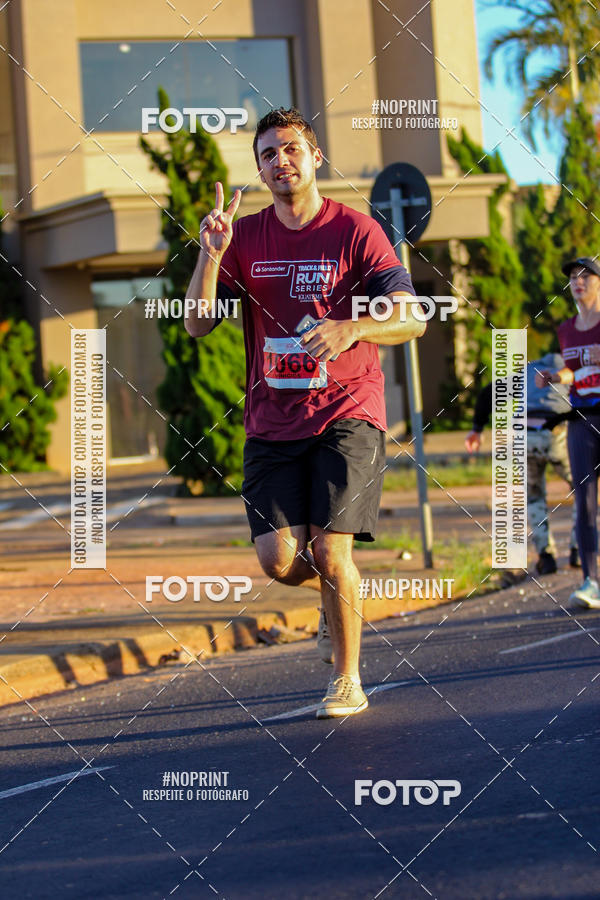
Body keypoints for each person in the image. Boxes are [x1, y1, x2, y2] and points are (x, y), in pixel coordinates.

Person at [184, 107, 425, 717]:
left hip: (348, 410)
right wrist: (210, 253)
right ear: (260, 170)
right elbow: (196, 323)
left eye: (290, 149)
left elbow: (413, 317)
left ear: (316, 157)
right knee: (279, 560)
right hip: (272, 420)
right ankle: (332, 603)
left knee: (330, 551)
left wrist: (351, 326)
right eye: (267, 154)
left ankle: (346, 680)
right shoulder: (245, 237)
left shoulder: (356, 230)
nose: (280, 161)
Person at [465, 355, 579, 575]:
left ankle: (546, 557)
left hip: (525, 434)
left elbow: (488, 394)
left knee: (534, 495)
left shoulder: (529, 372)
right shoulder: (570, 371)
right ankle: (577, 549)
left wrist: (477, 428)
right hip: (558, 433)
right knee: (581, 489)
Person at [536, 256, 600, 608]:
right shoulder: (567, 330)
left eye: (586, 276)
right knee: (585, 503)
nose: (578, 282)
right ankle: (591, 582)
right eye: (573, 277)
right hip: (581, 419)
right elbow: (577, 372)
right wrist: (556, 377)